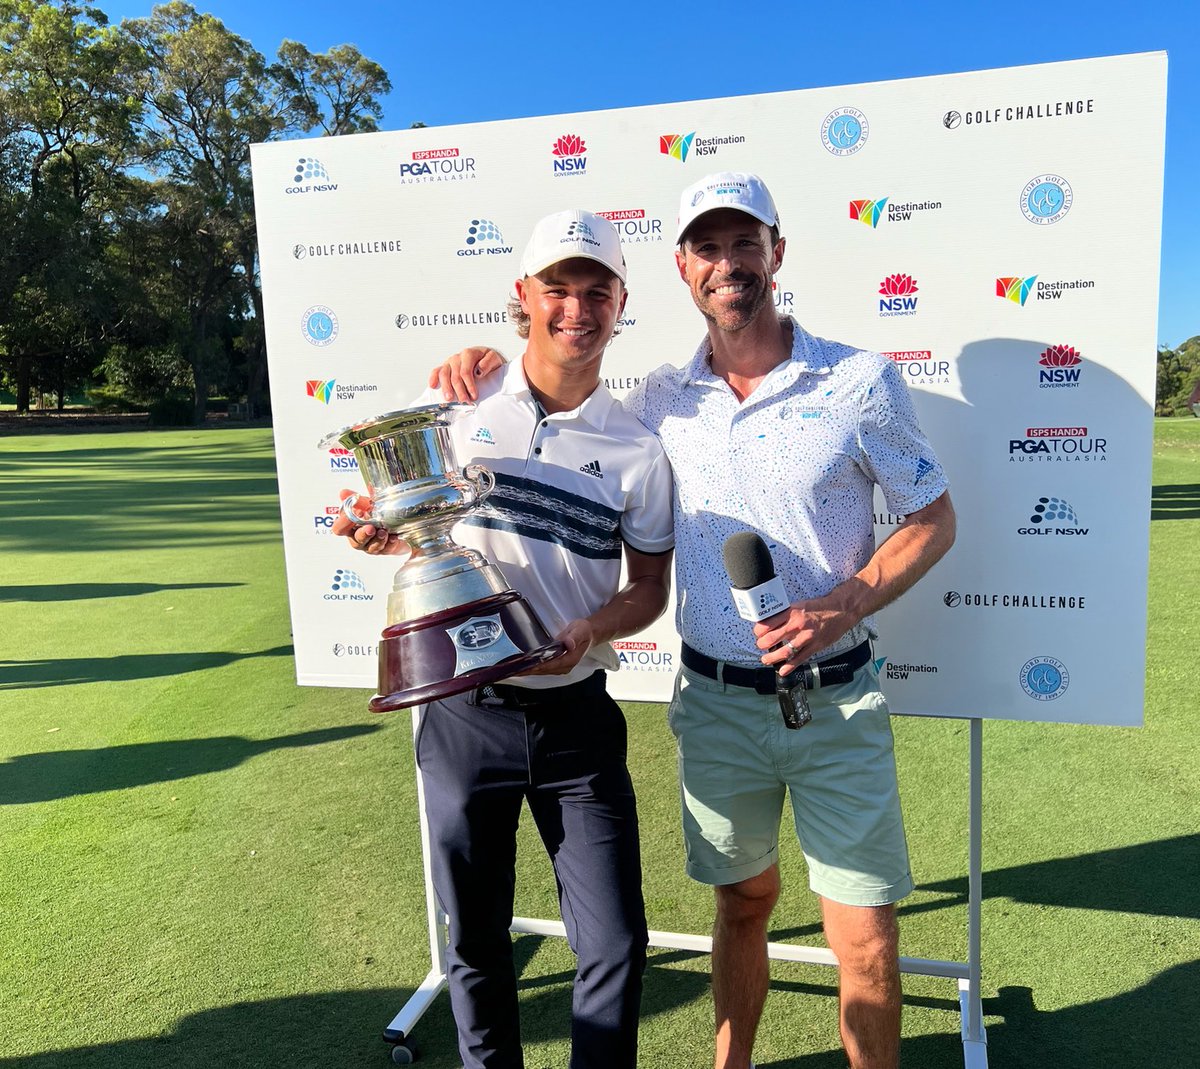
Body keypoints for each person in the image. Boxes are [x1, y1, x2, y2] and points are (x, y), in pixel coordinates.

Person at [430, 172, 956, 1069]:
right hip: (716, 705)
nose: (728, 263)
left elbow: (933, 517)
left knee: (863, 938)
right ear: (681, 270)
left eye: (744, 242)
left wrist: (849, 597)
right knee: (743, 904)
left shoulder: (861, 380)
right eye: (707, 248)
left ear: (776, 252)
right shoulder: (659, 402)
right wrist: (477, 360)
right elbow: (557, 398)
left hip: (835, 700)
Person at [337, 209, 674, 1069]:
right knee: (476, 940)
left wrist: (594, 627)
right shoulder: (457, 402)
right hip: (463, 715)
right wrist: (380, 533)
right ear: (521, 297)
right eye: (555, 289)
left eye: (595, 291)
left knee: (614, 944)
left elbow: (648, 590)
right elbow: (417, 525)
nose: (575, 308)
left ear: (621, 302)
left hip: (578, 724)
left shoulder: (639, 448)